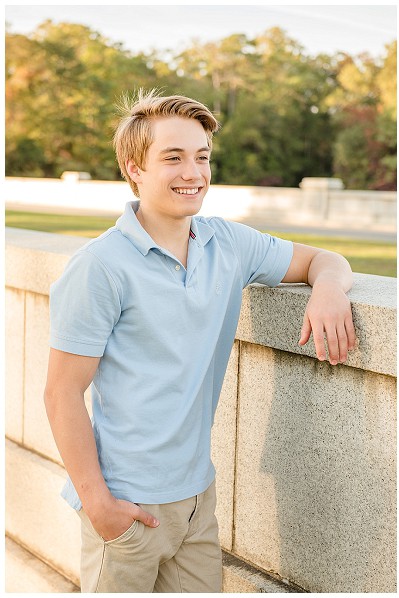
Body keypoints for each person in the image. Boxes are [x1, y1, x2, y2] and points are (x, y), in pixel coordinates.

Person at [44, 89, 356, 592]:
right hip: (126, 505)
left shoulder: (227, 243)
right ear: (134, 167)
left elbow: (328, 261)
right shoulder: (99, 267)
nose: (193, 173)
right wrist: (99, 505)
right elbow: (61, 393)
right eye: (173, 158)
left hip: (197, 501)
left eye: (202, 157)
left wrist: (326, 290)